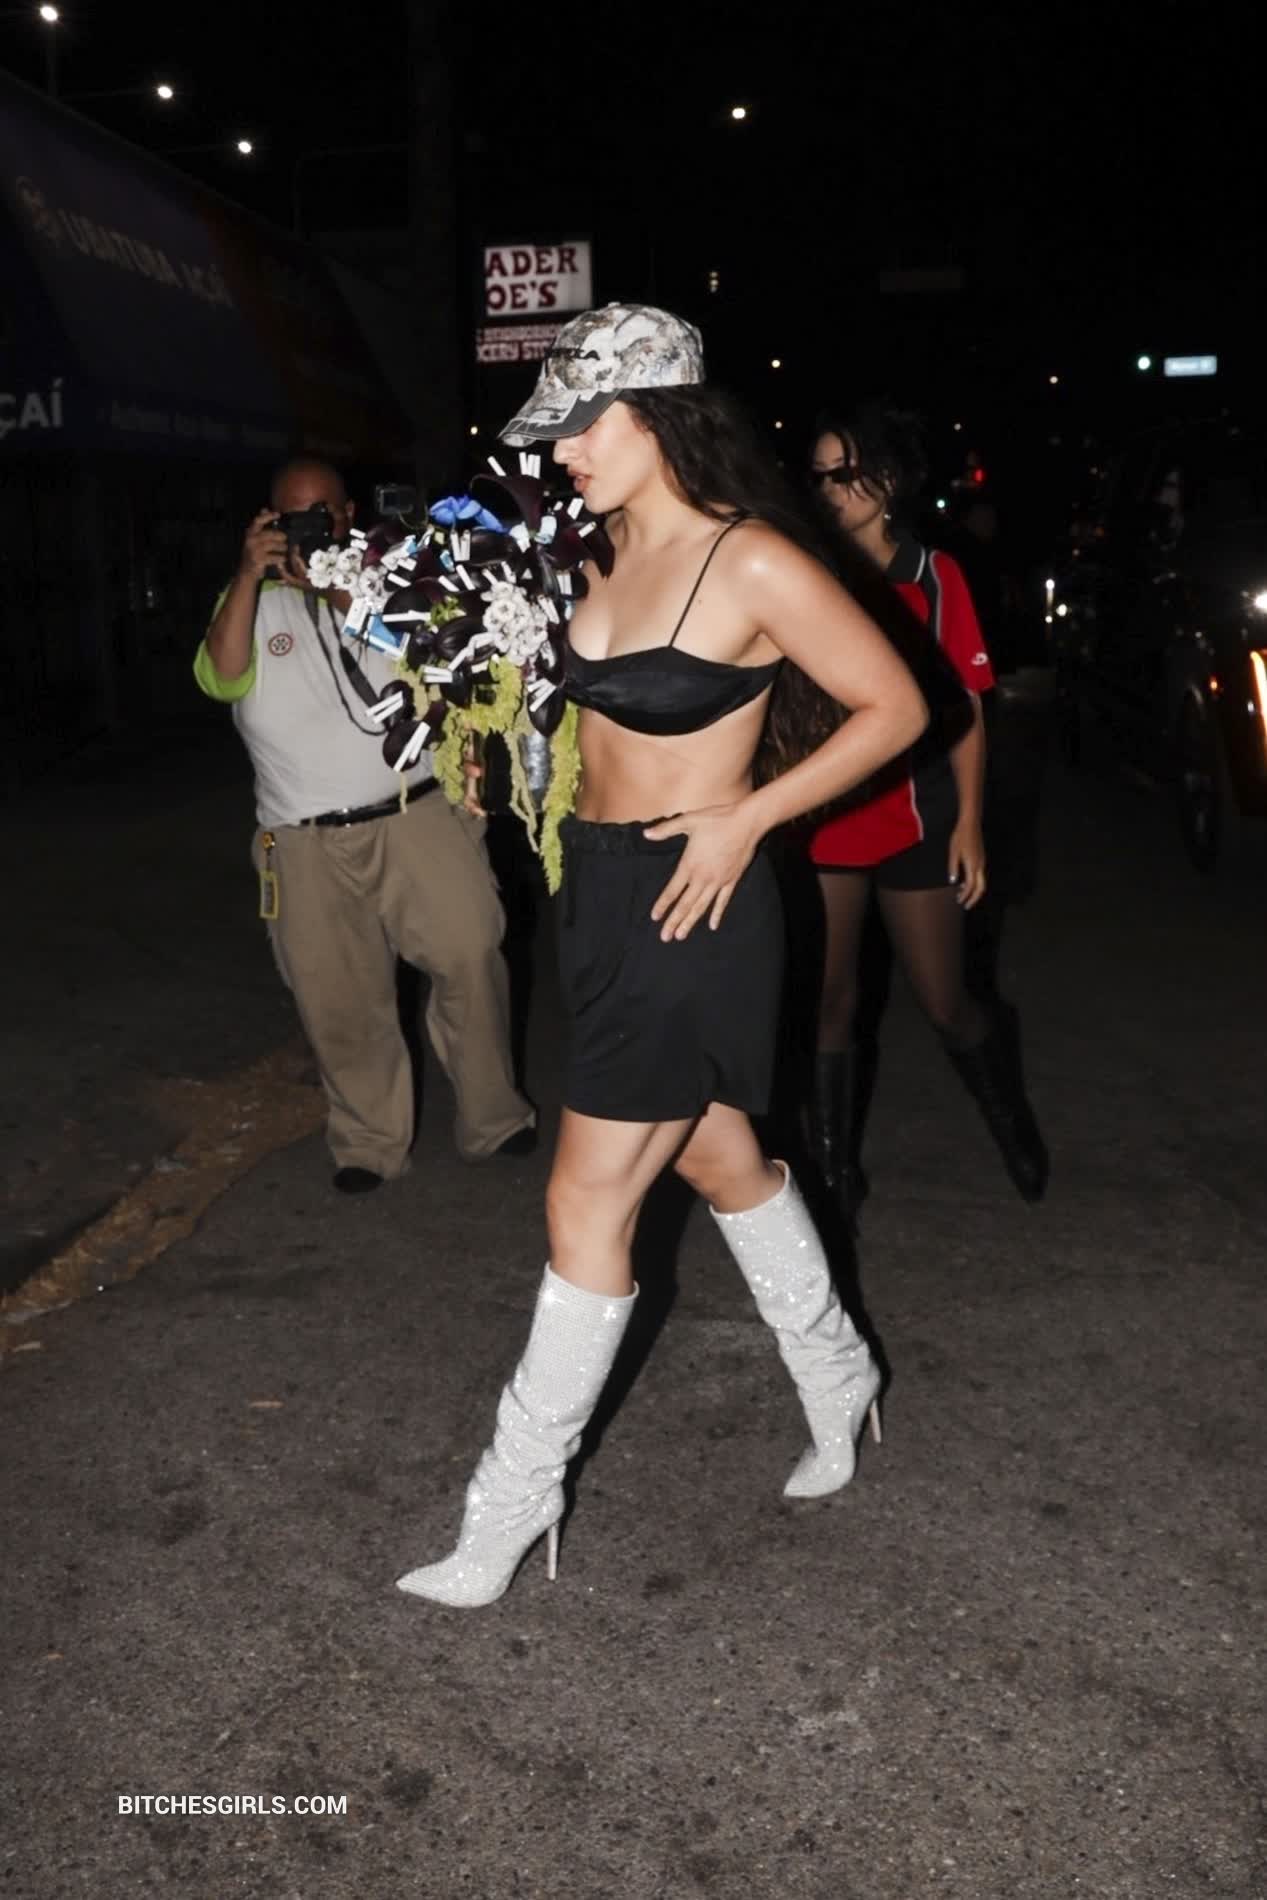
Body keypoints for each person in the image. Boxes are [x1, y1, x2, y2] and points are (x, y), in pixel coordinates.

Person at [395, 304, 928, 1609]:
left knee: (584, 1203)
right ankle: (837, 1372)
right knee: (716, 1154)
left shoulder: (750, 561)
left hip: (694, 902)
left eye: (582, 427)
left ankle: (509, 1506)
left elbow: (899, 706)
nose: (560, 452)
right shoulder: (596, 549)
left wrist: (749, 816)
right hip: (597, 892)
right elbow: (580, 717)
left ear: (660, 417)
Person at [194, 456, 536, 1194]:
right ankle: (370, 1143)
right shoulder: (248, 601)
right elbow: (220, 677)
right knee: (339, 999)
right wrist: (249, 577)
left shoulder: (396, 583)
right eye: (291, 518)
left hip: (417, 812)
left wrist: (339, 589)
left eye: (321, 514)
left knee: (471, 952)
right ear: (267, 522)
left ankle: (493, 1116)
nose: (308, 530)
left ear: (349, 514)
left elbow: (440, 661)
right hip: (303, 838)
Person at [805, 405, 1048, 1224]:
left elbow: (968, 706)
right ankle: (834, 1172)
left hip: (917, 816)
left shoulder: (934, 574)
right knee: (828, 1001)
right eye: (819, 475)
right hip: (826, 819)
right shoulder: (803, 570)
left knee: (944, 1001)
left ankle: (1008, 1117)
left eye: (844, 473)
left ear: (886, 481)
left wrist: (969, 822)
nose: (829, 489)